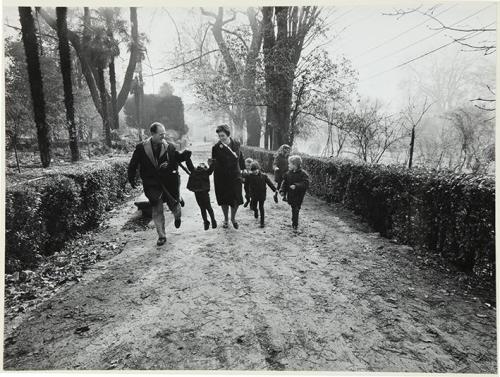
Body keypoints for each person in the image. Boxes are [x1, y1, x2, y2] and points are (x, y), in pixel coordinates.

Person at [128, 122, 191, 246]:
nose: (163, 136)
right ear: (152, 134)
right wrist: (131, 178)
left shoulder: (170, 147)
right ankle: (161, 235)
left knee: (175, 206)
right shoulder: (141, 147)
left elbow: (177, 158)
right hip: (151, 183)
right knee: (157, 208)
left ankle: (177, 216)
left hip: (168, 182)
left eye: (164, 134)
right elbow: (133, 163)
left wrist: (185, 155)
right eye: (160, 134)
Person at [211, 124, 245, 229]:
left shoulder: (236, 144)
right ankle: (225, 219)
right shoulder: (216, 147)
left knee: (236, 198)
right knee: (224, 199)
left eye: (223, 136)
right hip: (222, 177)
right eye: (219, 136)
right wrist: (210, 165)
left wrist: (243, 170)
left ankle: (233, 218)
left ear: (228, 134)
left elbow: (240, 158)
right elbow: (214, 162)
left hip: (235, 175)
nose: (221, 138)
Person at [185, 157, 217, 230]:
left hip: (198, 192)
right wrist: (213, 161)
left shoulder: (195, 171)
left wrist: (187, 158)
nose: (201, 165)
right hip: (203, 192)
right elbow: (212, 168)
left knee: (203, 208)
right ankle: (211, 221)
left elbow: (189, 165)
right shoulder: (206, 172)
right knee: (208, 208)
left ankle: (207, 222)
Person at [280, 155, 309, 231]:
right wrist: (282, 191)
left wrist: (296, 186)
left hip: (299, 195)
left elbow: (305, 183)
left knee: (296, 209)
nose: (288, 165)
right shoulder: (288, 173)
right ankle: (294, 222)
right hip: (291, 195)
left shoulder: (303, 174)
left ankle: (295, 224)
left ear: (295, 165)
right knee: (294, 208)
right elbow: (284, 183)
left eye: (290, 164)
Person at [246, 161, 278, 228]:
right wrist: (247, 194)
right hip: (254, 195)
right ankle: (256, 211)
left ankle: (262, 223)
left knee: (261, 208)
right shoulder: (249, 176)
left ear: (258, 168)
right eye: (253, 170)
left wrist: (275, 189)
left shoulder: (264, 176)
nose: (254, 172)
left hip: (261, 194)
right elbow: (246, 185)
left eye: (255, 170)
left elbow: (270, 183)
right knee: (254, 207)